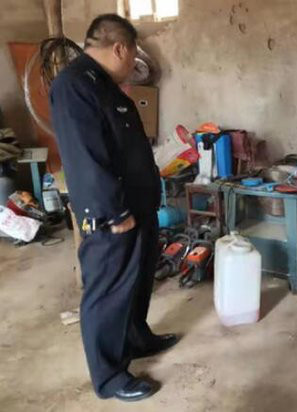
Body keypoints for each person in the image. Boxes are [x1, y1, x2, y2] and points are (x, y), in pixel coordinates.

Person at [49, 14, 178, 401]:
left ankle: (136, 338)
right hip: (112, 214)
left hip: (137, 205)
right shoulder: (75, 85)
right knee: (108, 292)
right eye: (133, 55)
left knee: (137, 280)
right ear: (120, 48)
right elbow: (85, 157)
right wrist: (111, 212)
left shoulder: (104, 85)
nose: (133, 63)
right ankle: (108, 377)